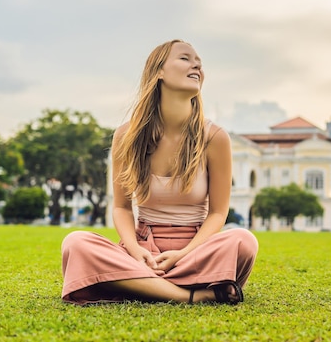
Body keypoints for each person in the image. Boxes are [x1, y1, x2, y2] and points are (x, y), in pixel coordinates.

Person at [61, 39, 259, 305]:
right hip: (142, 249)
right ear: (159, 72)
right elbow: (121, 207)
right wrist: (133, 249)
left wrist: (184, 253)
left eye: (198, 61)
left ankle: (138, 285)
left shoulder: (215, 137)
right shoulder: (126, 136)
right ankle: (189, 295)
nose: (197, 64)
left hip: (195, 251)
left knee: (243, 241)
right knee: (76, 243)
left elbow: (217, 213)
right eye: (185, 58)